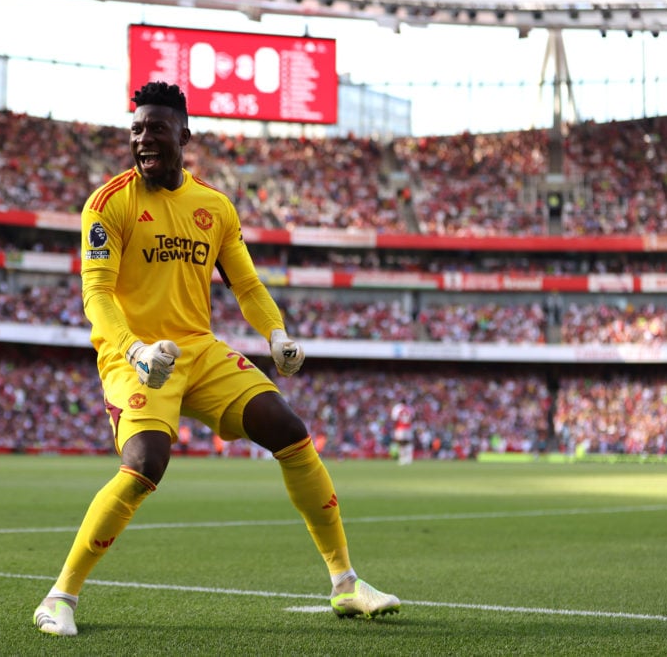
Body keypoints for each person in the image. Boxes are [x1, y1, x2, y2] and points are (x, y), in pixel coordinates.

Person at [33, 81, 400, 637]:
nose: (143, 140)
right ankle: (60, 597)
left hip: (198, 350)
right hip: (134, 354)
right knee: (145, 464)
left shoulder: (214, 207)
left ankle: (345, 583)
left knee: (290, 431)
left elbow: (246, 286)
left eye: (156, 129)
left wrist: (276, 335)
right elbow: (98, 296)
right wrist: (134, 350)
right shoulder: (108, 204)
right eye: (136, 130)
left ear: (185, 134)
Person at [391, 399, 415, 465]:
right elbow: (413, 418)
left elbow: (394, 418)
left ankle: (402, 459)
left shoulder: (397, 408)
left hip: (400, 427)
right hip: (408, 427)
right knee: (408, 443)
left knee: (401, 443)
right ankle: (409, 458)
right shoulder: (410, 408)